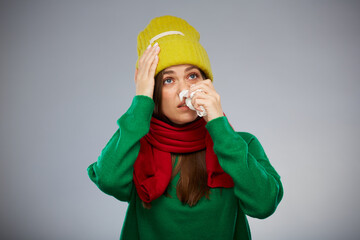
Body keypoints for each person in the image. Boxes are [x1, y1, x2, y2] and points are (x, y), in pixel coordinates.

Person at [87, 15, 283, 240]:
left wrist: (218, 123)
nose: (184, 90)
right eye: (168, 80)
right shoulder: (134, 145)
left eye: (192, 76)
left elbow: (264, 204)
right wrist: (141, 101)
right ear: (152, 90)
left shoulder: (242, 144)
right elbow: (108, 179)